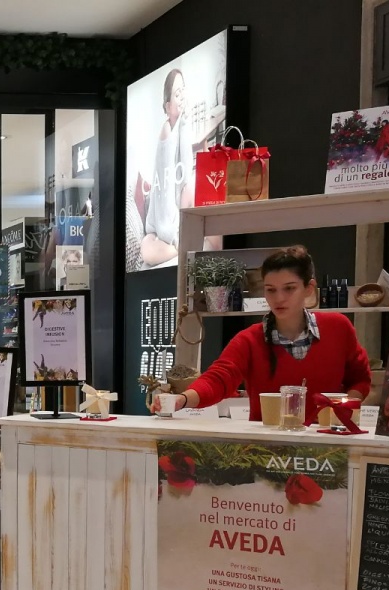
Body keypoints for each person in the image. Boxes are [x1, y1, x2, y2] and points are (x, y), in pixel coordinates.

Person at [151, 246, 371, 422]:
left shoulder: (338, 328)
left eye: (289, 288)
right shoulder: (249, 340)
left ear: (309, 288)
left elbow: (360, 378)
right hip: (265, 451)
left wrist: (346, 406)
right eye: (271, 289)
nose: (279, 298)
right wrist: (182, 400)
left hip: (329, 448)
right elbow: (218, 379)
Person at [140, 68, 193, 268]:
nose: (182, 97)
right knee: (148, 249)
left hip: (175, 220)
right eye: (177, 94)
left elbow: (185, 174)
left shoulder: (181, 125)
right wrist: (171, 235)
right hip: (161, 226)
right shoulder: (166, 134)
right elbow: (163, 188)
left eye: (183, 91)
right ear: (168, 105)